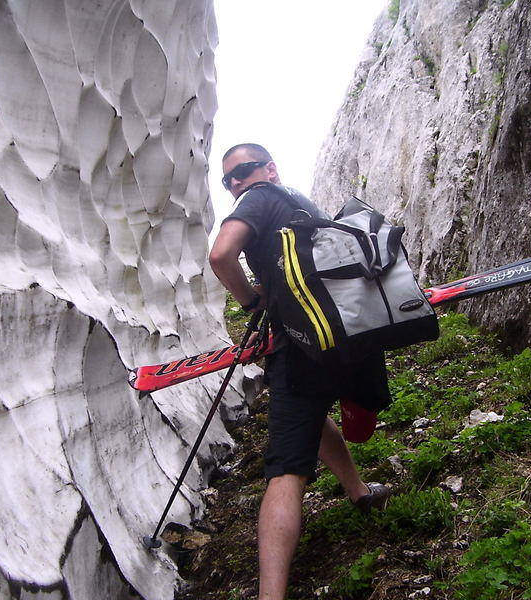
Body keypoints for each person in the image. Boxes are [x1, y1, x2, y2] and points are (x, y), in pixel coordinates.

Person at [209, 143, 390, 600]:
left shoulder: (260, 196)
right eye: (227, 180)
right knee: (312, 413)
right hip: (346, 337)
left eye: (243, 171)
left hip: (298, 345)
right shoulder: (305, 206)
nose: (235, 183)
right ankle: (359, 491)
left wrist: (252, 301)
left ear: (268, 169)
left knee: (286, 469)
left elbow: (221, 256)